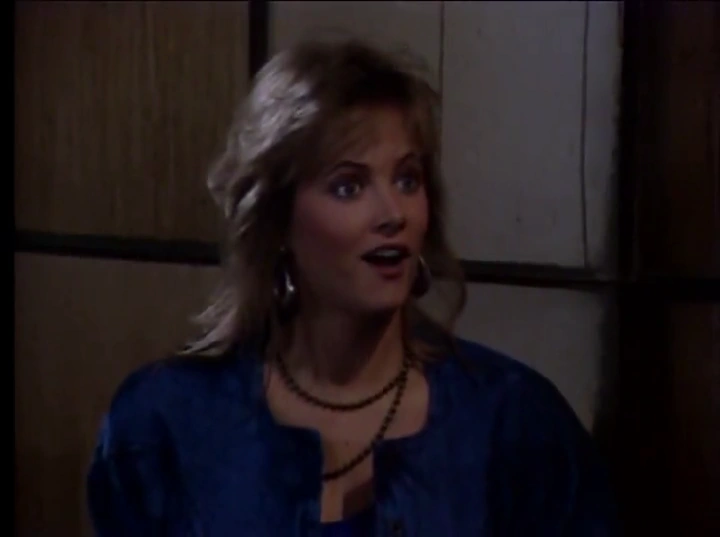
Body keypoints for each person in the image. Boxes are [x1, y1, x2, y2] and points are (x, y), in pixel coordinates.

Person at [86, 39, 619, 536]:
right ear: (277, 220)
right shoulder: (163, 424)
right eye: (348, 186)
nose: (393, 214)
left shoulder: (514, 425)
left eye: (407, 180)